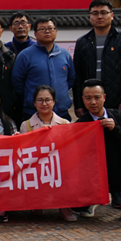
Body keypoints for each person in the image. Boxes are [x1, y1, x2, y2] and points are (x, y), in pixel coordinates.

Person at [75, 79, 121, 225]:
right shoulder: (80, 125)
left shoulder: (119, 116)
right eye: (88, 98)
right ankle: (93, 200)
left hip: (117, 174)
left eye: (97, 97)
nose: (93, 102)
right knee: (77, 208)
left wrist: (116, 129)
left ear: (104, 97)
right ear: (83, 99)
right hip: (93, 179)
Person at [18, 85, 77, 223]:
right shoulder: (26, 125)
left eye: (47, 100)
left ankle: (64, 207)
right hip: (35, 165)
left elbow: (70, 149)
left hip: (58, 165)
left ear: (54, 102)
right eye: (40, 100)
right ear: (34, 103)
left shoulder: (64, 123)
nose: (44, 103)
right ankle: (36, 202)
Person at [73, 0, 121, 119]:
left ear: (111, 15)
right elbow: (77, 75)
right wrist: (78, 104)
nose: (99, 16)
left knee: (114, 129)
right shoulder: (82, 42)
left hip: (115, 99)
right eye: (95, 13)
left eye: (103, 13)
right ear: (90, 16)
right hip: (90, 100)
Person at [12, 17, 75, 121]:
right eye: (42, 29)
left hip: (61, 112)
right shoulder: (25, 55)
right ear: (35, 34)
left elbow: (71, 79)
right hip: (33, 112)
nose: (47, 32)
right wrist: (30, 95)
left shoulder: (65, 54)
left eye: (50, 28)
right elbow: (17, 81)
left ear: (55, 31)